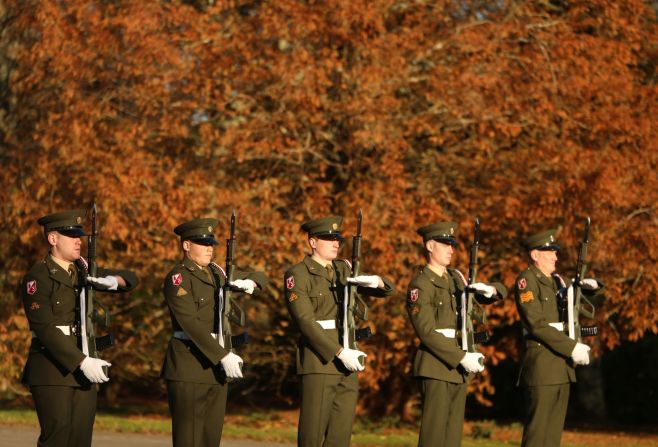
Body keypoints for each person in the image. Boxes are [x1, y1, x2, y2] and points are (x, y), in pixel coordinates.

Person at [21, 209, 138, 447]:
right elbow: (44, 328)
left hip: (85, 363)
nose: (78, 240)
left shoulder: (84, 271)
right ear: (53, 239)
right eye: (71, 235)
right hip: (53, 368)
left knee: (80, 439)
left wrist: (114, 281)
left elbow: (131, 278)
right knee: (58, 437)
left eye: (80, 235)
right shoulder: (38, 276)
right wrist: (82, 361)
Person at [284, 216, 395, 447]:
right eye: (328, 239)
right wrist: (337, 351)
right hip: (320, 360)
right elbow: (305, 321)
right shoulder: (298, 274)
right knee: (313, 433)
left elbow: (387, 291)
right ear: (313, 242)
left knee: (340, 433)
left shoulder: (344, 269)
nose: (336, 243)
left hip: (349, 357)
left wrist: (377, 281)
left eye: (338, 239)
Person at [161, 217, 268, 447]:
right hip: (189, 367)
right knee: (189, 439)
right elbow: (190, 324)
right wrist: (223, 355)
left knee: (211, 439)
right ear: (187, 245)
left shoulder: (219, 273)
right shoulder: (178, 277)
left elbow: (260, 276)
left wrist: (250, 284)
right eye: (202, 242)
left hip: (217, 370)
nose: (210, 247)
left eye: (211, 243)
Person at [406, 221, 506, 447]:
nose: (451, 249)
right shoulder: (421, 284)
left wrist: (490, 290)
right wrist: (462, 357)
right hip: (437, 365)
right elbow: (427, 332)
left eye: (452, 244)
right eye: (445, 244)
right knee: (434, 435)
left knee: (452, 436)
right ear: (430, 246)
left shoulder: (456, 280)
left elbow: (501, 289)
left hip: (458, 367)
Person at [515, 229, 604, 447]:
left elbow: (576, 303)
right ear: (535, 255)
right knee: (537, 435)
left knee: (553, 437)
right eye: (550, 251)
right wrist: (572, 347)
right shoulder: (527, 281)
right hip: (542, 366)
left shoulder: (557, 282)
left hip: (561, 368)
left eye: (556, 251)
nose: (556, 256)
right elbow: (537, 324)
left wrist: (592, 286)